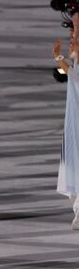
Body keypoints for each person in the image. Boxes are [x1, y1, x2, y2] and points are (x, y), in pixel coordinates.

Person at [54, 16, 79, 230]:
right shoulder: (76, 62)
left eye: (75, 37)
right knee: (72, 162)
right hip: (74, 123)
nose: (71, 39)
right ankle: (78, 210)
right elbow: (68, 72)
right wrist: (58, 58)